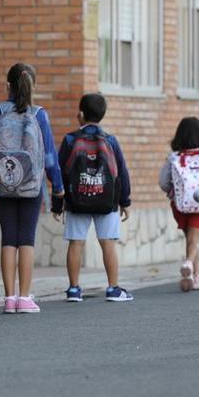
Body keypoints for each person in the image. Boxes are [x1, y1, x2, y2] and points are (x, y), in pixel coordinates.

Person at [0, 63, 64, 314]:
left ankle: (9, 298)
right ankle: (25, 297)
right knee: (26, 240)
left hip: (3, 184)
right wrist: (58, 187)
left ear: (7, 86)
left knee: (9, 240)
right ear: (34, 86)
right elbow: (49, 155)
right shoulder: (39, 114)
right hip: (32, 185)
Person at [55, 93, 134, 303]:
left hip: (76, 200)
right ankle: (113, 288)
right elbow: (122, 172)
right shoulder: (110, 140)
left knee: (76, 243)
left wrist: (57, 204)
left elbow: (60, 172)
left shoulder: (71, 140)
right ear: (103, 115)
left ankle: (73, 289)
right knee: (108, 243)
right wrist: (125, 201)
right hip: (106, 200)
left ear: (80, 115)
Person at [159, 117, 199, 292]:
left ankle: (196, 275)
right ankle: (188, 264)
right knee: (194, 240)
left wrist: (172, 193)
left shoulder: (174, 157)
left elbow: (163, 182)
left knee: (190, 239)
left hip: (180, 204)